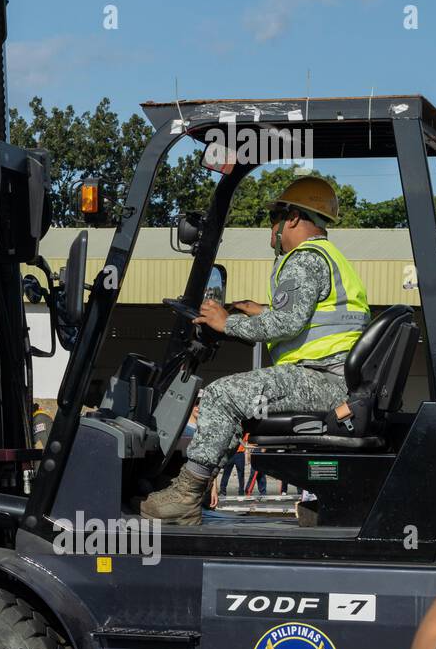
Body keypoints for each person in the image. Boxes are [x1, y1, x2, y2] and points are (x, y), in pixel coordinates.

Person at [140, 177, 370, 525]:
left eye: (273, 219)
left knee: (220, 395)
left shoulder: (304, 259)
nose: (271, 229)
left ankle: (186, 495)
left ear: (292, 218)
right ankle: (194, 488)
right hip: (334, 379)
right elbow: (305, 318)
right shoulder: (328, 258)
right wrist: (258, 310)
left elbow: (286, 326)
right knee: (237, 400)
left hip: (322, 379)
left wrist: (224, 323)